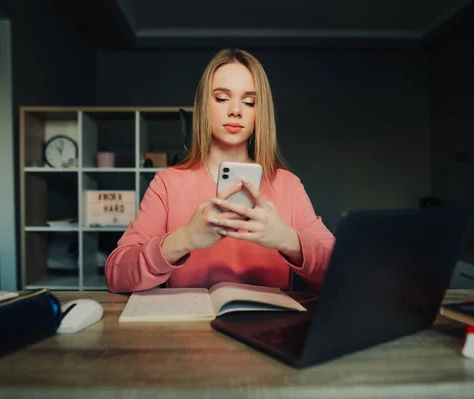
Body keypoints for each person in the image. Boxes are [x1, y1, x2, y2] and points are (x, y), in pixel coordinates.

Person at [105, 48, 335, 293]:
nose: (235, 110)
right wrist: (184, 239)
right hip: (188, 329)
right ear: (205, 106)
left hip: (264, 327)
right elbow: (116, 275)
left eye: (249, 101)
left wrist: (288, 240)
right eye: (222, 98)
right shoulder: (167, 183)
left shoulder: (286, 185)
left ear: (260, 112)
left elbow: (340, 271)